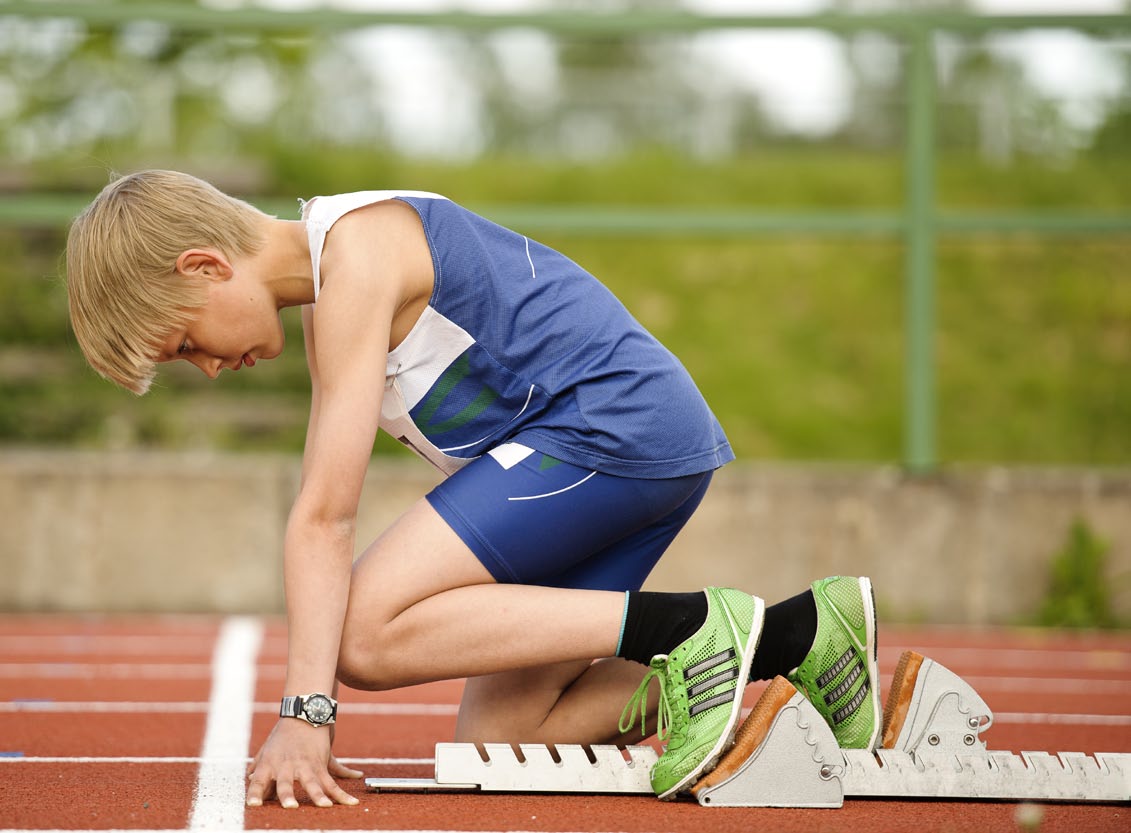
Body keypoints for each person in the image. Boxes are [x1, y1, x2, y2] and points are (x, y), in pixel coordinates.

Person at [65, 170, 881, 806]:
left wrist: (304, 714)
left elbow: (324, 514)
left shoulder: (358, 253)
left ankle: (696, 625)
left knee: (365, 635)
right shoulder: (327, 295)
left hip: (613, 429)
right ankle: (796, 642)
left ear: (206, 266)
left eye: (184, 344)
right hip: (620, 450)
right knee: (507, 735)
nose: (206, 368)